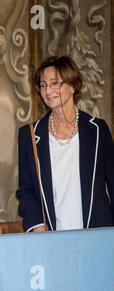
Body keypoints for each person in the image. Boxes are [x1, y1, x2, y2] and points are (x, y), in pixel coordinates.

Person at [17, 55, 113, 232]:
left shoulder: (98, 129)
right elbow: (26, 190)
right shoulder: (28, 135)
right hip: (53, 237)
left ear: (73, 86)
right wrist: (37, 225)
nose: (48, 90)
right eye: (43, 85)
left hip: (97, 234)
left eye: (55, 83)